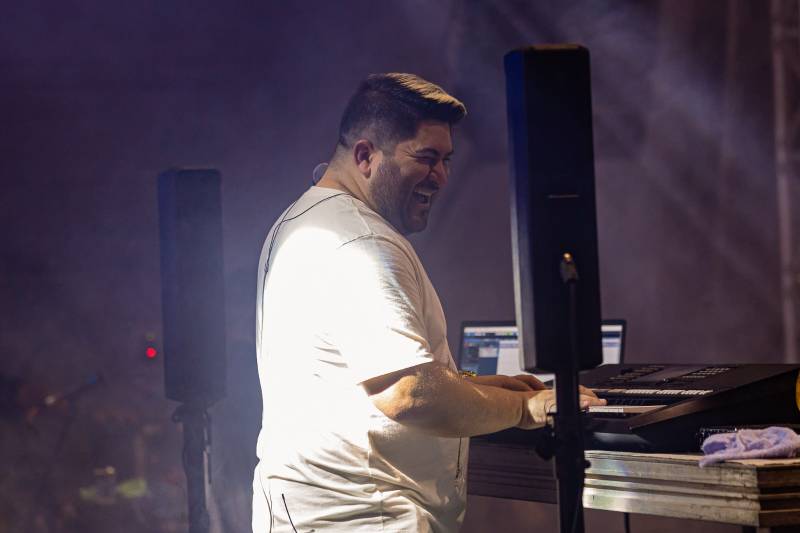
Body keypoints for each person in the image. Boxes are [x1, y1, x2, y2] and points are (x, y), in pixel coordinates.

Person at [252, 73, 605, 532]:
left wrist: (487, 389)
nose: (440, 176)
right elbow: (407, 393)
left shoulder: (305, 218)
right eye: (426, 158)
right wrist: (525, 409)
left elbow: (360, 381)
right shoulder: (362, 243)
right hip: (365, 519)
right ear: (365, 156)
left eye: (446, 160)